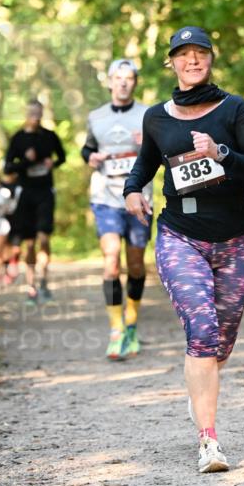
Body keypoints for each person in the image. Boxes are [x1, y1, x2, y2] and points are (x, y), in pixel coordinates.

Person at [124, 26, 244, 474]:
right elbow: (145, 164)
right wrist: (133, 191)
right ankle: (209, 441)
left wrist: (221, 151)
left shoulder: (234, 109)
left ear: (210, 59)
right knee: (202, 333)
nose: (192, 60)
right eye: (183, 54)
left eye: (199, 53)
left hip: (233, 240)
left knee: (221, 345)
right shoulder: (157, 117)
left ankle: (200, 392)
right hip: (179, 235)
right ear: (171, 63)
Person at [82, 59, 153, 360]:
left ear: (135, 82)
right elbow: (86, 148)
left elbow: (162, 150)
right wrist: (91, 156)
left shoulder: (148, 115)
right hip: (105, 196)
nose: (123, 82)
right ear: (109, 82)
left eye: (129, 78)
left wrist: (147, 143)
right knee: (111, 261)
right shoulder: (95, 117)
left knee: (135, 264)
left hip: (139, 198)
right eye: (118, 78)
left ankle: (132, 323)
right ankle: (116, 330)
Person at [4, 99, 66, 303]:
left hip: (45, 192)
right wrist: (26, 161)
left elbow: (62, 157)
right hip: (26, 194)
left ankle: (44, 282)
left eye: (39, 113)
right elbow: (7, 169)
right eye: (32, 113)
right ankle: (31, 286)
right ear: (26, 114)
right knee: (29, 244)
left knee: (44, 239)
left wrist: (52, 163)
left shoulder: (49, 136)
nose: (36, 117)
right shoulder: (18, 139)